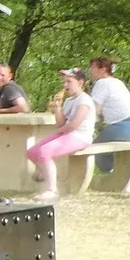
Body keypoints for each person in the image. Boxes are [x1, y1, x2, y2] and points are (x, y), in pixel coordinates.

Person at [25, 68, 98, 201]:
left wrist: (58, 132)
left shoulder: (85, 100)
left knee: (44, 151)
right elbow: (61, 123)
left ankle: (51, 190)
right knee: (31, 152)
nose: (65, 85)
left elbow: (74, 125)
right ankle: (47, 174)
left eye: (69, 82)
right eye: (65, 82)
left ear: (80, 82)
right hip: (67, 134)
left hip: (80, 137)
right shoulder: (70, 101)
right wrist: (58, 107)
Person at [87, 56, 130, 173]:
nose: (90, 70)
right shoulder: (117, 83)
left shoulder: (102, 83)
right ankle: (121, 176)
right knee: (111, 147)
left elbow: (94, 112)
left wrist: (84, 129)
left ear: (103, 69)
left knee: (96, 148)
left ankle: (112, 177)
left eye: (93, 67)